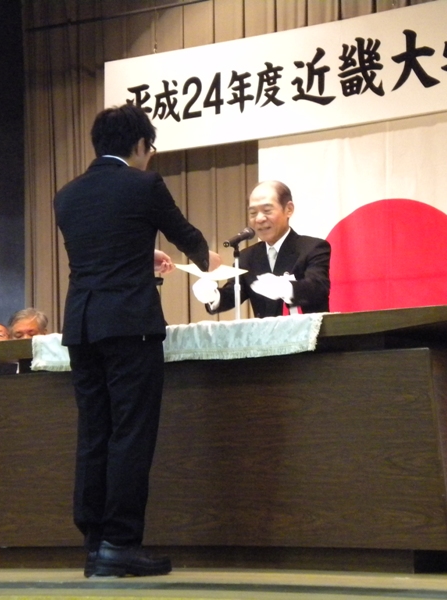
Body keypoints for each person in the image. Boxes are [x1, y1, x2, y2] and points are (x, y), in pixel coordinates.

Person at [53, 104, 220, 578]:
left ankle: (94, 544)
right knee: (130, 433)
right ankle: (121, 543)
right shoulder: (144, 184)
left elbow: (100, 250)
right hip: (129, 326)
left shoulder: (67, 195)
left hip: (82, 326)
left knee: (94, 433)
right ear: (141, 145)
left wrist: (139, 254)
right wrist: (214, 264)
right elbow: (188, 238)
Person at [193, 180, 331, 317]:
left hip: (308, 330)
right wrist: (212, 295)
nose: (259, 219)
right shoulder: (247, 257)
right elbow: (232, 294)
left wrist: (286, 288)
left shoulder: (312, 247)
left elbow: (318, 288)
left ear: (288, 209)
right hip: (265, 331)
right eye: (253, 213)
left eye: (267, 210)